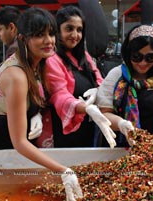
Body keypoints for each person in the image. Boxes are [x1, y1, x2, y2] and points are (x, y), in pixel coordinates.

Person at [0, 8, 83, 200]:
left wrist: (35, 113)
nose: (49, 41)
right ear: (22, 38)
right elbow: (19, 142)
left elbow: (39, 96)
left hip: (20, 140)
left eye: (51, 33)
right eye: (39, 35)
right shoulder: (16, 75)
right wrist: (63, 171)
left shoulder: (38, 62)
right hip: (1, 142)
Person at [97, 25, 153, 147]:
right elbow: (104, 113)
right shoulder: (116, 75)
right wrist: (121, 124)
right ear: (128, 54)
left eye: (150, 57)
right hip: (119, 146)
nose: (143, 63)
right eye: (136, 57)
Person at [44, 6, 116, 148]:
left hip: (90, 125)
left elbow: (100, 80)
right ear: (57, 30)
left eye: (79, 30)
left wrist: (99, 91)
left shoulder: (84, 56)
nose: (75, 34)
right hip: (65, 128)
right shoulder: (51, 58)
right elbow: (59, 94)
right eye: (69, 29)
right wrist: (85, 108)